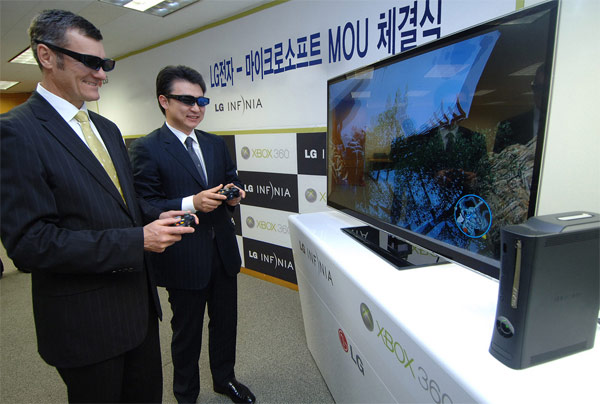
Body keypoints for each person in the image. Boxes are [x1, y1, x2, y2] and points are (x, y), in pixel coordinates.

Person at [0, 9, 196, 403]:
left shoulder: (106, 128)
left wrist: (155, 217)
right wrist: (137, 240)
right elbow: (30, 244)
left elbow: (121, 204)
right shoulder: (15, 132)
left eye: (105, 64)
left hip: (139, 313)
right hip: (85, 325)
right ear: (46, 56)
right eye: (89, 62)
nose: (102, 74)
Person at [129, 65, 254, 404]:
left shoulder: (214, 143)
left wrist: (233, 193)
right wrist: (191, 203)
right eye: (186, 100)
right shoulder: (147, 148)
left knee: (225, 323)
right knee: (187, 333)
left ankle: (224, 379)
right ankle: (186, 395)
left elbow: (232, 178)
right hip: (183, 256)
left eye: (201, 100)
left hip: (223, 251)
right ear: (163, 101)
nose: (196, 108)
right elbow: (146, 205)